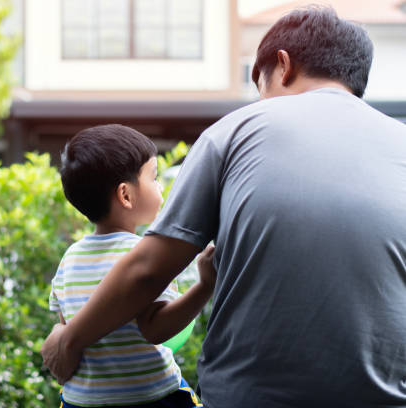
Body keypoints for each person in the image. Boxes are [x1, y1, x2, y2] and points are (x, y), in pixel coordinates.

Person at [42, 6, 406, 408]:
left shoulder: (235, 133)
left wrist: (68, 339)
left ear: (282, 66)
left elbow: (147, 271)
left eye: (260, 86)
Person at [50, 124, 216, 407]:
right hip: (150, 395)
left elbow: (66, 328)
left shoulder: (70, 257)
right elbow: (157, 330)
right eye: (153, 178)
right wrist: (205, 286)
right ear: (126, 195)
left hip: (81, 400)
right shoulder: (144, 254)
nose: (160, 186)